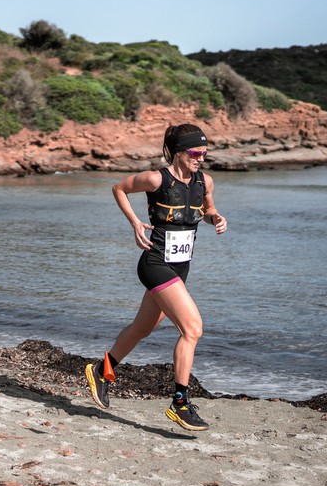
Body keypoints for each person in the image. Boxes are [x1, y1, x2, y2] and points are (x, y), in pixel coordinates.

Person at [84, 123, 228, 431]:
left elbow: (209, 208)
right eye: (195, 152)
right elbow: (118, 188)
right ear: (178, 152)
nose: (201, 158)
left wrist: (216, 217)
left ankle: (101, 371)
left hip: (179, 268)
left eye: (204, 153)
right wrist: (135, 222)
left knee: (142, 328)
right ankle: (180, 403)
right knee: (192, 329)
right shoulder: (155, 178)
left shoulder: (205, 181)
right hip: (155, 262)